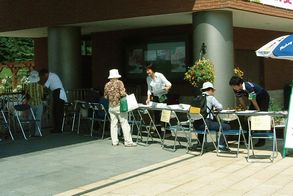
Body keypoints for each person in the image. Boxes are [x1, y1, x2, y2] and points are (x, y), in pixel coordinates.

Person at [229, 76, 270, 147]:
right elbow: (240, 99)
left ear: (240, 84)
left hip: (263, 97)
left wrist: (258, 109)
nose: (234, 88)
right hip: (254, 100)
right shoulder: (236, 89)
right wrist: (246, 110)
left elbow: (252, 99)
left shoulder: (248, 87)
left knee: (261, 117)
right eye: (232, 87)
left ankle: (262, 140)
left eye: (234, 86)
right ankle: (247, 139)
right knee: (249, 117)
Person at [194, 82, 231, 152]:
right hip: (206, 124)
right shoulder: (210, 98)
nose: (213, 92)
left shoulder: (198, 98)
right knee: (226, 127)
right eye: (213, 90)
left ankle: (200, 144)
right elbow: (220, 107)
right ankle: (221, 146)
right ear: (210, 90)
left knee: (201, 121)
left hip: (196, 124)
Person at [104, 69, 136, 147]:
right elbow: (122, 93)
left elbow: (105, 96)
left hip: (111, 107)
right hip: (119, 106)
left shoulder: (107, 85)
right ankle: (128, 142)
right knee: (124, 123)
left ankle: (114, 141)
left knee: (113, 124)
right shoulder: (119, 83)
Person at [145, 64, 172, 135]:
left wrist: (167, 88)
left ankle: (168, 132)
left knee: (165, 113)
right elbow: (149, 89)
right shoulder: (148, 78)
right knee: (156, 114)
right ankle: (158, 131)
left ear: (152, 70)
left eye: (149, 70)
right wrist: (148, 98)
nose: (147, 72)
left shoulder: (160, 75)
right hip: (156, 96)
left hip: (163, 96)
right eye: (146, 70)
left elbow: (169, 84)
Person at [39, 69, 67, 133]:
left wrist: (36, 87)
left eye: (44, 76)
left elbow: (45, 86)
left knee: (58, 111)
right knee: (56, 111)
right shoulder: (53, 75)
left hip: (58, 93)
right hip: (57, 93)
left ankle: (58, 129)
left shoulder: (51, 76)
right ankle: (57, 128)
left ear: (46, 74)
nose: (44, 77)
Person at [24, 70, 44, 137]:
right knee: (38, 119)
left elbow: (26, 95)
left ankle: (31, 133)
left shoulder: (27, 86)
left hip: (31, 104)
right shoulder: (40, 86)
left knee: (31, 118)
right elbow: (42, 96)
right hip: (39, 103)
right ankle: (37, 133)